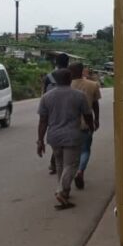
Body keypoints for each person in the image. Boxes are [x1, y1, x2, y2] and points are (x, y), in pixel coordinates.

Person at [36, 68, 94, 210]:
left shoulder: (46, 97)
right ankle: (61, 191)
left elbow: (42, 121)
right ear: (70, 80)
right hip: (72, 136)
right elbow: (87, 115)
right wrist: (91, 128)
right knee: (72, 165)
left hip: (54, 136)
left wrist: (40, 140)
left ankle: (65, 192)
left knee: (60, 163)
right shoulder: (79, 96)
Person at [69, 62, 101, 190]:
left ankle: (68, 176)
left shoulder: (66, 86)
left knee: (71, 152)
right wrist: (96, 120)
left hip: (69, 126)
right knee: (85, 150)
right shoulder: (93, 85)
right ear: (82, 71)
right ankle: (80, 171)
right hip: (85, 124)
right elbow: (95, 105)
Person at [44, 53, 70, 174]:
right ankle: (58, 162)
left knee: (56, 138)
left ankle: (55, 162)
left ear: (56, 62)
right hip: (68, 110)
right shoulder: (70, 75)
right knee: (67, 138)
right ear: (67, 62)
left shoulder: (49, 77)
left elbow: (44, 95)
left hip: (52, 111)